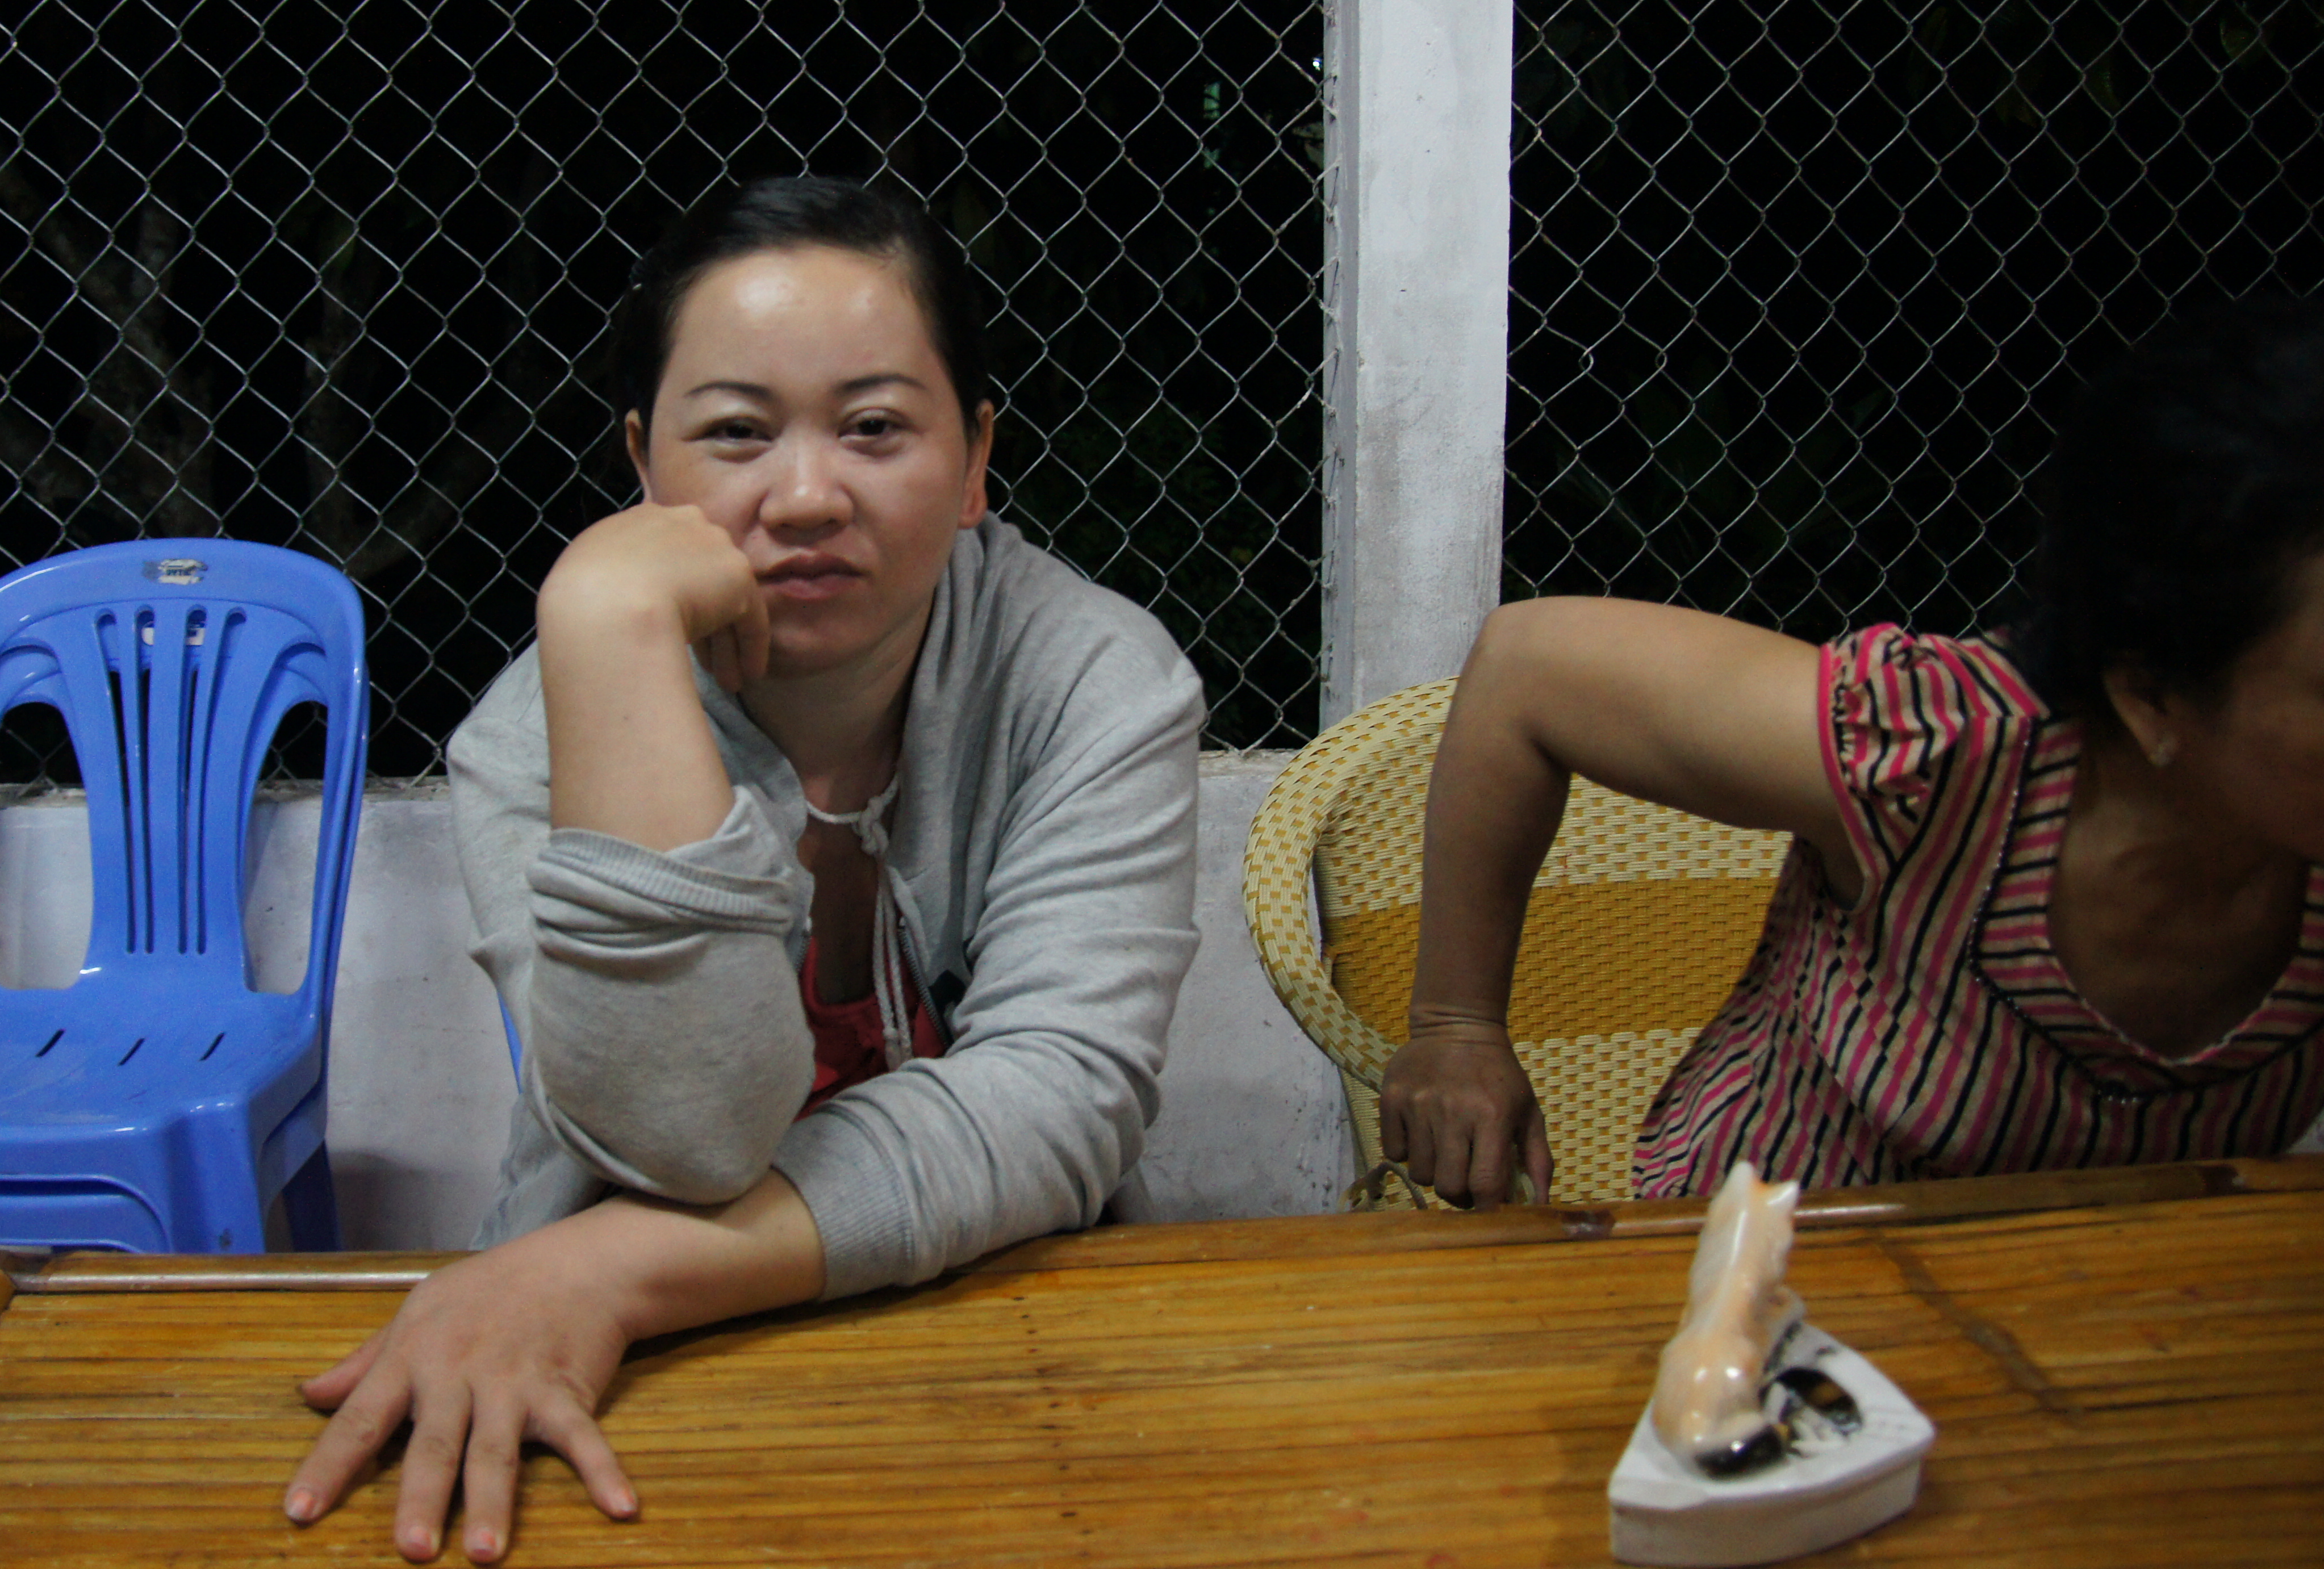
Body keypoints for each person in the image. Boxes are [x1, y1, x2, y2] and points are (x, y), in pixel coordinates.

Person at [282, 178, 1205, 1562]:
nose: (807, 496)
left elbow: (1060, 1095)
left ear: (973, 462)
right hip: (626, 1365)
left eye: (875, 427)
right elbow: (683, 1136)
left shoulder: (1090, 681)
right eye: (735, 433)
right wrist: (606, 632)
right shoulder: (533, 731)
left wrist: (612, 1266)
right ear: (643, 466)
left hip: (989, 1313)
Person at [1378, 298, 2324, 1212]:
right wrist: (1457, 1030)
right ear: (2149, 692)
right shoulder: (1928, 752)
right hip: (1773, 1280)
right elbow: (1527, 670)